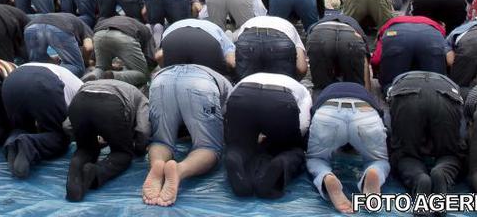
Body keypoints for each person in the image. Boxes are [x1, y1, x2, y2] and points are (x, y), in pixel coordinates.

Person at [142, 63, 232, 207]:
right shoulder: (228, 86)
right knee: (209, 147)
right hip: (200, 85)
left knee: (162, 141)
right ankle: (179, 170)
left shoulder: (173, 68)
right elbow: (228, 124)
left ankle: (157, 164)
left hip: (161, 81)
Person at [225, 72, 311, 199]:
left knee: (241, 144)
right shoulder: (304, 91)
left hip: (242, 94)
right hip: (280, 100)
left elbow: (230, 108)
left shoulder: (251, 77)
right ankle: (281, 163)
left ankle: (234, 157)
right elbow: (302, 128)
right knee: (292, 148)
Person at [307, 81, 389, 213]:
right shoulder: (365, 91)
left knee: (316, 159)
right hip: (366, 113)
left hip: (327, 113)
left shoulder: (327, 90)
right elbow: (382, 119)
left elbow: (310, 123)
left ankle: (325, 175)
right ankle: (373, 172)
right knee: (379, 160)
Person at [386, 72, 466, 204]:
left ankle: (419, 178)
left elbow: (390, 124)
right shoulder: (448, 81)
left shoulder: (398, 80)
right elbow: (461, 129)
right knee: (451, 152)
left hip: (406, 95)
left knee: (404, 153)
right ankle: (443, 172)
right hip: (446, 95)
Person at [66, 79, 150, 202]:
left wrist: (86, 137)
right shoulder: (141, 97)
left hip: (80, 101)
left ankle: (75, 170)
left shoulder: (90, 83)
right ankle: (95, 172)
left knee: (85, 148)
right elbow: (143, 129)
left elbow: (67, 125)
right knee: (122, 153)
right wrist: (139, 149)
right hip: (110, 106)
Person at [1, 63, 83, 178]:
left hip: (11, 81)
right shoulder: (83, 94)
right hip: (43, 83)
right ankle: (29, 145)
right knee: (60, 136)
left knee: (22, 127)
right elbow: (72, 126)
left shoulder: (76, 83)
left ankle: (12, 143)